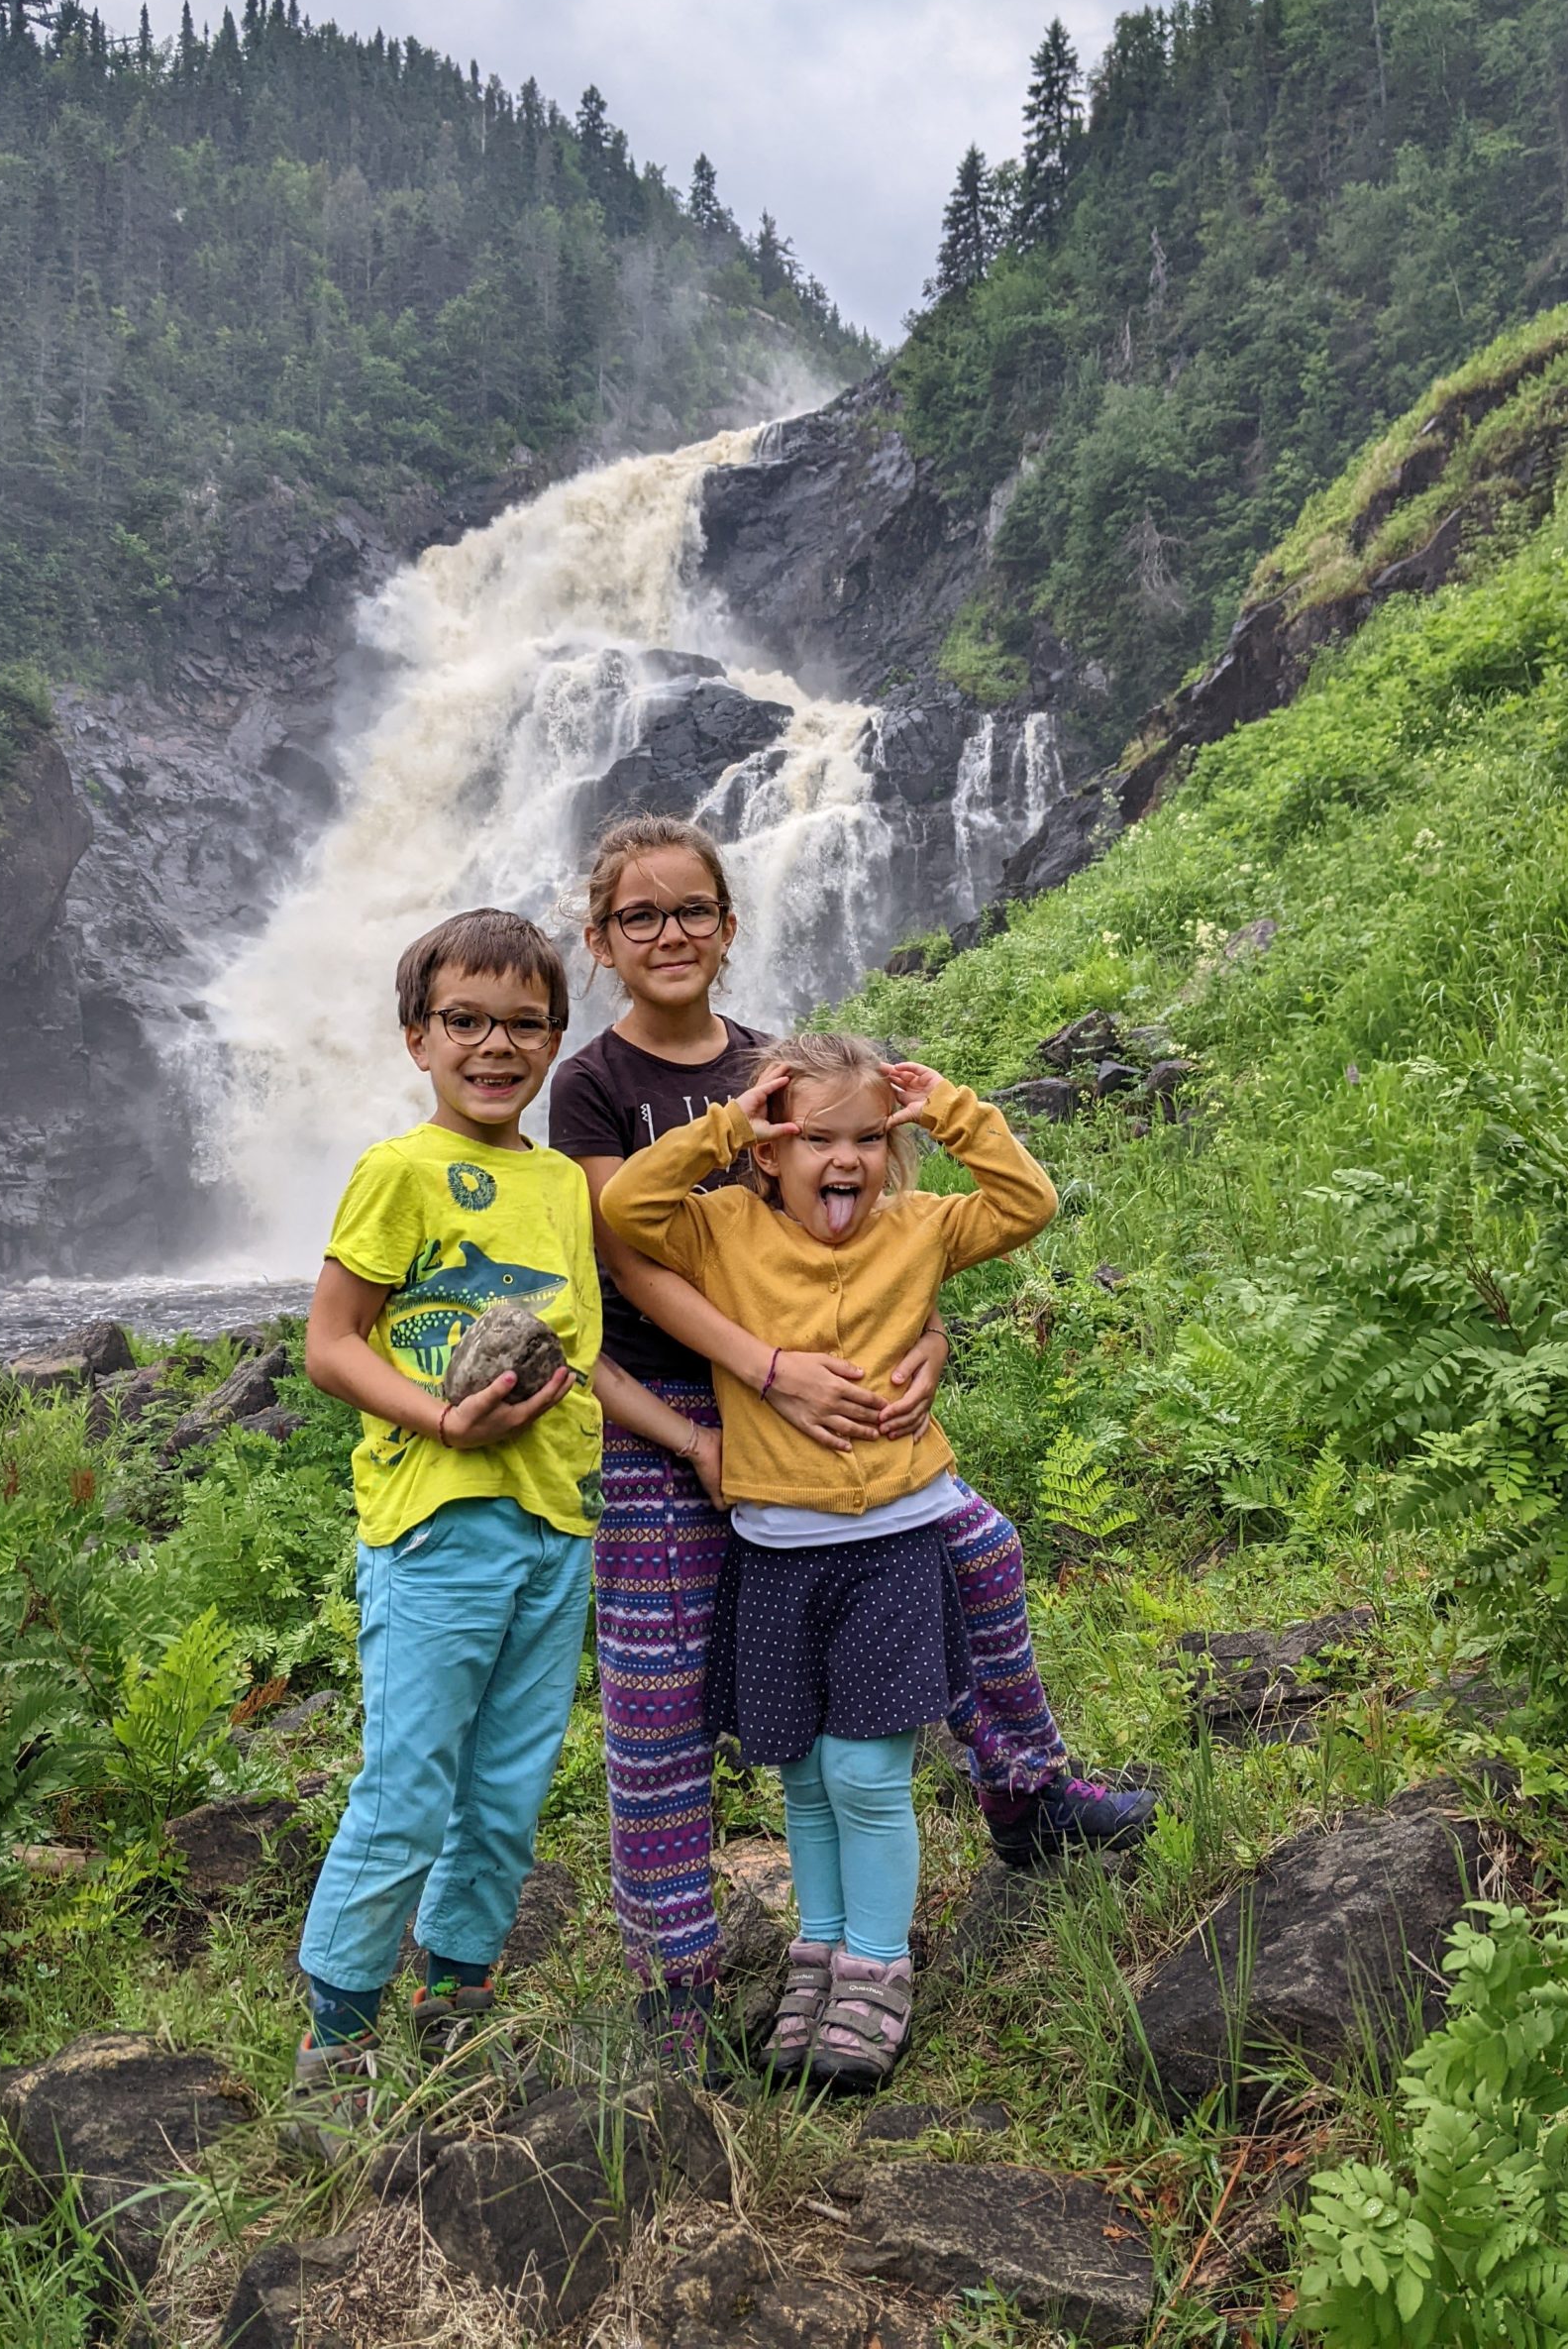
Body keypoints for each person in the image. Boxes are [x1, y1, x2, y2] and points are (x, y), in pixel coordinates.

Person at [551, 816, 1152, 2070]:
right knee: (662, 1702)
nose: (671, 932)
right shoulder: (601, 1083)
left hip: (851, 1437)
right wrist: (762, 1370)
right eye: (640, 915)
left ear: (730, 922)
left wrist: (923, 1327)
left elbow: (894, 1234)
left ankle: (1022, 1787)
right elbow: (630, 1246)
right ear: (600, 939)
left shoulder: (790, 1066)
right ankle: (678, 1973)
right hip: (674, 1405)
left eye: (694, 909)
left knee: (980, 1550)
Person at [290, 906, 716, 2147]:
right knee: (408, 1784)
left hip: (556, 1522)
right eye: (465, 1021)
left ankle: (456, 1993)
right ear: (417, 1036)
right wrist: (441, 1418)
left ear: (555, 1038)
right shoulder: (398, 1170)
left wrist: (695, 1438)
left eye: (524, 1024)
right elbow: (330, 1344)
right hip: (439, 1520)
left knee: (508, 1786)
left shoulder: (560, 1185)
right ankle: (336, 2038)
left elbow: (586, 1358)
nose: (495, 1045)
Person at [601, 1033, 1082, 2088]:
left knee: (866, 1772)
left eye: (868, 1138)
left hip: (892, 1546)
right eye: (817, 1138)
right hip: (774, 1552)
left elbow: (1028, 1202)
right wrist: (729, 1125)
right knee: (807, 1780)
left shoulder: (919, 1226)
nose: (846, 1159)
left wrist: (949, 1109)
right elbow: (627, 1209)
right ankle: (818, 1954)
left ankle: (878, 1965)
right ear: (772, 1153)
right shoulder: (722, 1228)